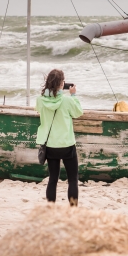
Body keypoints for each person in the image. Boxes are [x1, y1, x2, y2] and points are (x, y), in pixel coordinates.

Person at [36, 69, 83, 206]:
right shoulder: (67, 101)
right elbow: (79, 112)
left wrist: (50, 94)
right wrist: (73, 95)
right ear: (62, 84)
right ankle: (73, 210)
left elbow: (39, 109)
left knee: (53, 179)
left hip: (50, 145)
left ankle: (50, 210)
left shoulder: (40, 100)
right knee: (73, 179)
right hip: (67, 144)